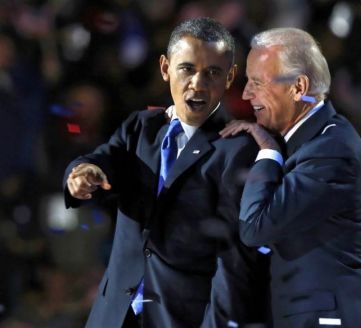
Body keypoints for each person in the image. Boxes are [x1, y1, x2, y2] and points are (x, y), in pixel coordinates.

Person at [64, 17, 269, 328]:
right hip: (115, 315)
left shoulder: (238, 149)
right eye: (187, 68)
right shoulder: (140, 127)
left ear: (230, 78)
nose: (197, 83)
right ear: (165, 68)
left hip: (182, 318)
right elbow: (104, 159)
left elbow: (234, 258)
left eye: (212, 73)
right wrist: (81, 172)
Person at [220, 28, 361, 327]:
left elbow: (255, 227)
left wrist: (267, 151)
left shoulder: (331, 150)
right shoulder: (312, 141)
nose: (245, 94)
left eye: (256, 82)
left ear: (298, 86)